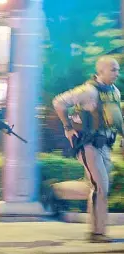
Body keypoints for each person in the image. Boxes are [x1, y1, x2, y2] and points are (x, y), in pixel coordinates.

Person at [53, 56, 122, 243]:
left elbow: (115, 118)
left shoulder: (114, 91)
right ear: (101, 71)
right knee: (100, 185)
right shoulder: (88, 90)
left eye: (117, 69)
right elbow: (59, 102)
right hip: (88, 145)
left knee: (99, 185)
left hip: (105, 145)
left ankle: (60, 191)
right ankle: (97, 233)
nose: (117, 73)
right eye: (113, 69)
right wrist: (67, 127)